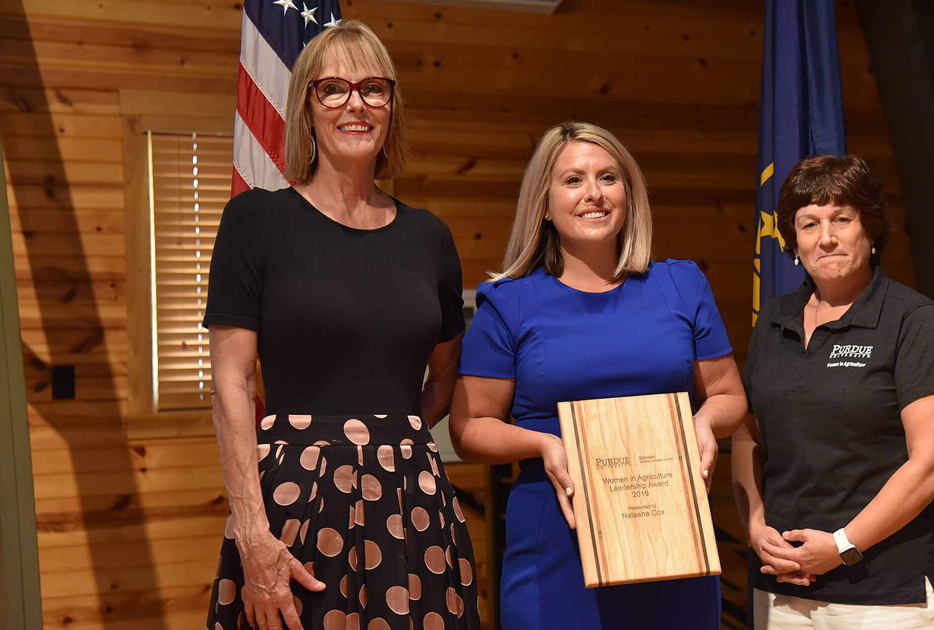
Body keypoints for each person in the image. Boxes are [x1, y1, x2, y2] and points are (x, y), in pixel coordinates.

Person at [203, 21, 479, 630]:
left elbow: (449, 371)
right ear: (307, 107)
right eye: (333, 88)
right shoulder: (256, 221)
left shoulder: (430, 237)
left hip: (414, 508)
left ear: (391, 109)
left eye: (373, 88)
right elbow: (230, 386)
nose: (355, 103)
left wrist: (393, 439)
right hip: (292, 509)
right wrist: (251, 531)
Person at [448, 121, 746, 629]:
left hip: (673, 539)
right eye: (573, 180)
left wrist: (703, 425)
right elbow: (469, 426)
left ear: (629, 195)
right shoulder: (509, 301)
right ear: (543, 202)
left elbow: (727, 395)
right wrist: (544, 445)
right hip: (558, 541)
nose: (594, 194)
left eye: (609, 178)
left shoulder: (681, 284)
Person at [732, 155, 934, 629]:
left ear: (871, 230)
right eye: (809, 224)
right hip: (783, 586)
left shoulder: (913, 320)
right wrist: (755, 528)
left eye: (842, 219)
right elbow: (747, 436)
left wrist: (842, 545)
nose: (827, 237)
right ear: (793, 241)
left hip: (885, 593)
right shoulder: (773, 321)